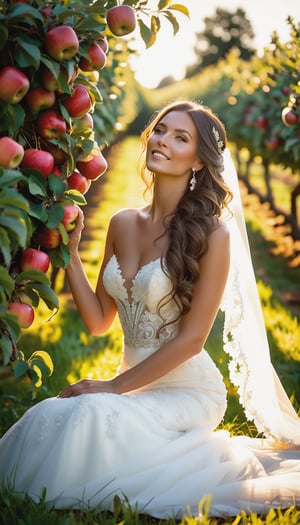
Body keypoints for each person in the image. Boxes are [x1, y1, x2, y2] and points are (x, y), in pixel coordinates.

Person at [0, 100, 299, 519]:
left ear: (198, 161)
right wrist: (69, 253)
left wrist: (112, 387)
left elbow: (193, 341)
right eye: (161, 130)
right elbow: (98, 320)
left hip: (187, 388)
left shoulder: (213, 234)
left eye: (181, 138)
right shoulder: (122, 222)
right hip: (132, 380)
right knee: (52, 413)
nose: (163, 140)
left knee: (90, 411)